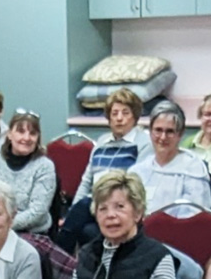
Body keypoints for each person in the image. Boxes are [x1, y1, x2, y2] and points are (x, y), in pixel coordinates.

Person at [59, 170, 176, 279]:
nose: (110, 215)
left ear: (138, 213)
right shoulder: (87, 254)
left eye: (119, 207)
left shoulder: (159, 259)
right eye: (103, 209)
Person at [57, 88, 151, 254]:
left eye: (125, 113)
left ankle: (58, 258)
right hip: (93, 208)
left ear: (135, 116)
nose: (119, 118)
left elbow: (138, 183)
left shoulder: (143, 143)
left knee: (87, 221)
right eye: (114, 113)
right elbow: (86, 181)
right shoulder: (101, 142)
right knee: (84, 220)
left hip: (120, 206)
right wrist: (71, 214)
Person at [0, 110, 57, 234]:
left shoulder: (44, 166)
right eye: (20, 131)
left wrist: (2, 226)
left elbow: (37, 212)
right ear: (9, 134)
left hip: (30, 234)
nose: (26, 138)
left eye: (33, 133)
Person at [130, 100, 211, 215]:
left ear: (180, 134)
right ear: (150, 131)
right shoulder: (137, 171)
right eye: (158, 130)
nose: (163, 137)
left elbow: (195, 217)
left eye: (170, 131)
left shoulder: (193, 170)